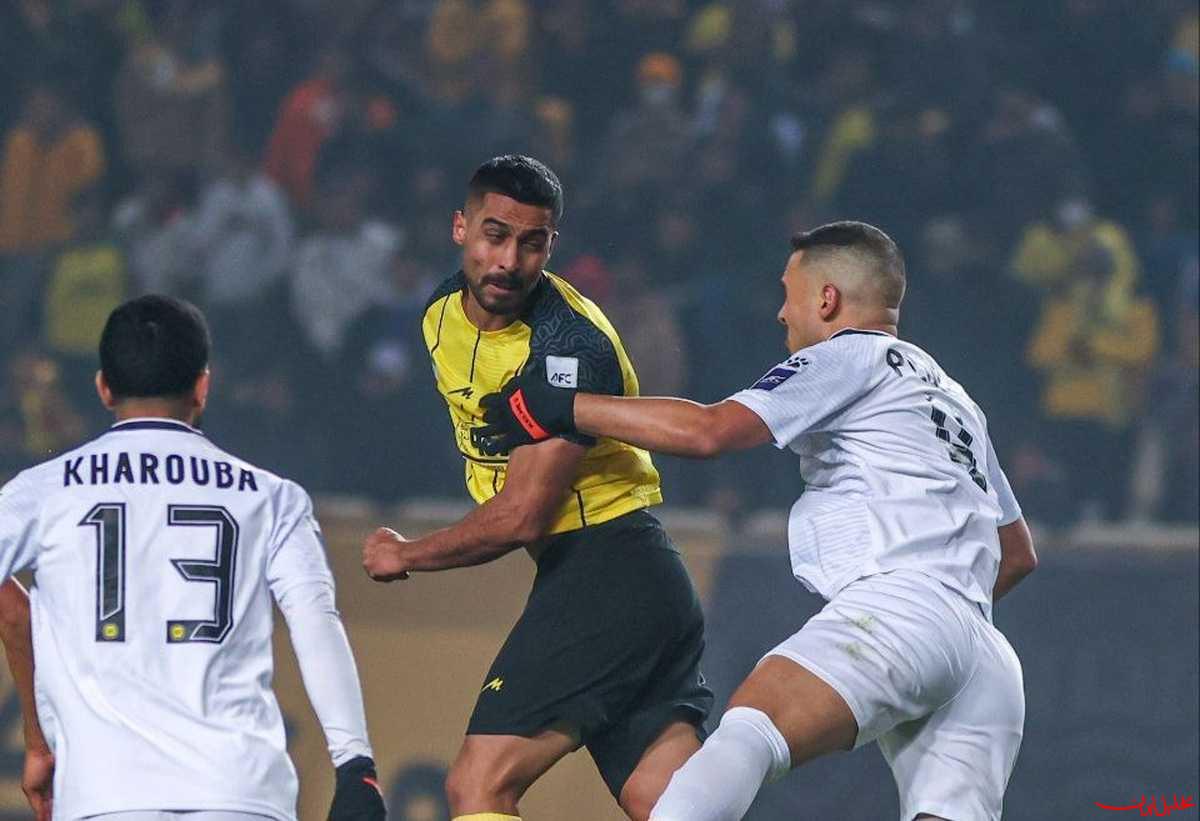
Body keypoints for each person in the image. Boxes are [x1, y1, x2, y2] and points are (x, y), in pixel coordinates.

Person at [476, 221, 1037, 821]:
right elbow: (1016, 552)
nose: (781, 312)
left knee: (751, 729)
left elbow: (709, 431)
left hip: (904, 606)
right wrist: (942, 625)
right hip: (985, 655)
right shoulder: (953, 398)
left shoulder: (848, 354)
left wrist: (563, 407)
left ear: (827, 299)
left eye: (788, 293)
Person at [361, 155, 713, 821]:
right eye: (495, 235)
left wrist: (406, 553)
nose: (509, 261)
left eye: (532, 243)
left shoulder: (570, 347)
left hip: (609, 568)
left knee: (478, 785)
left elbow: (523, 514)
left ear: (552, 246)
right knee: (669, 804)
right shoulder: (439, 312)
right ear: (460, 228)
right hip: (638, 584)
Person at [0, 295, 386, 821]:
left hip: (105, 794)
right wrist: (354, 762)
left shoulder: (42, 492)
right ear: (203, 386)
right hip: (241, 792)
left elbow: (13, 609)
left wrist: (37, 735)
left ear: (104, 387)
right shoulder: (271, 496)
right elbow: (316, 622)